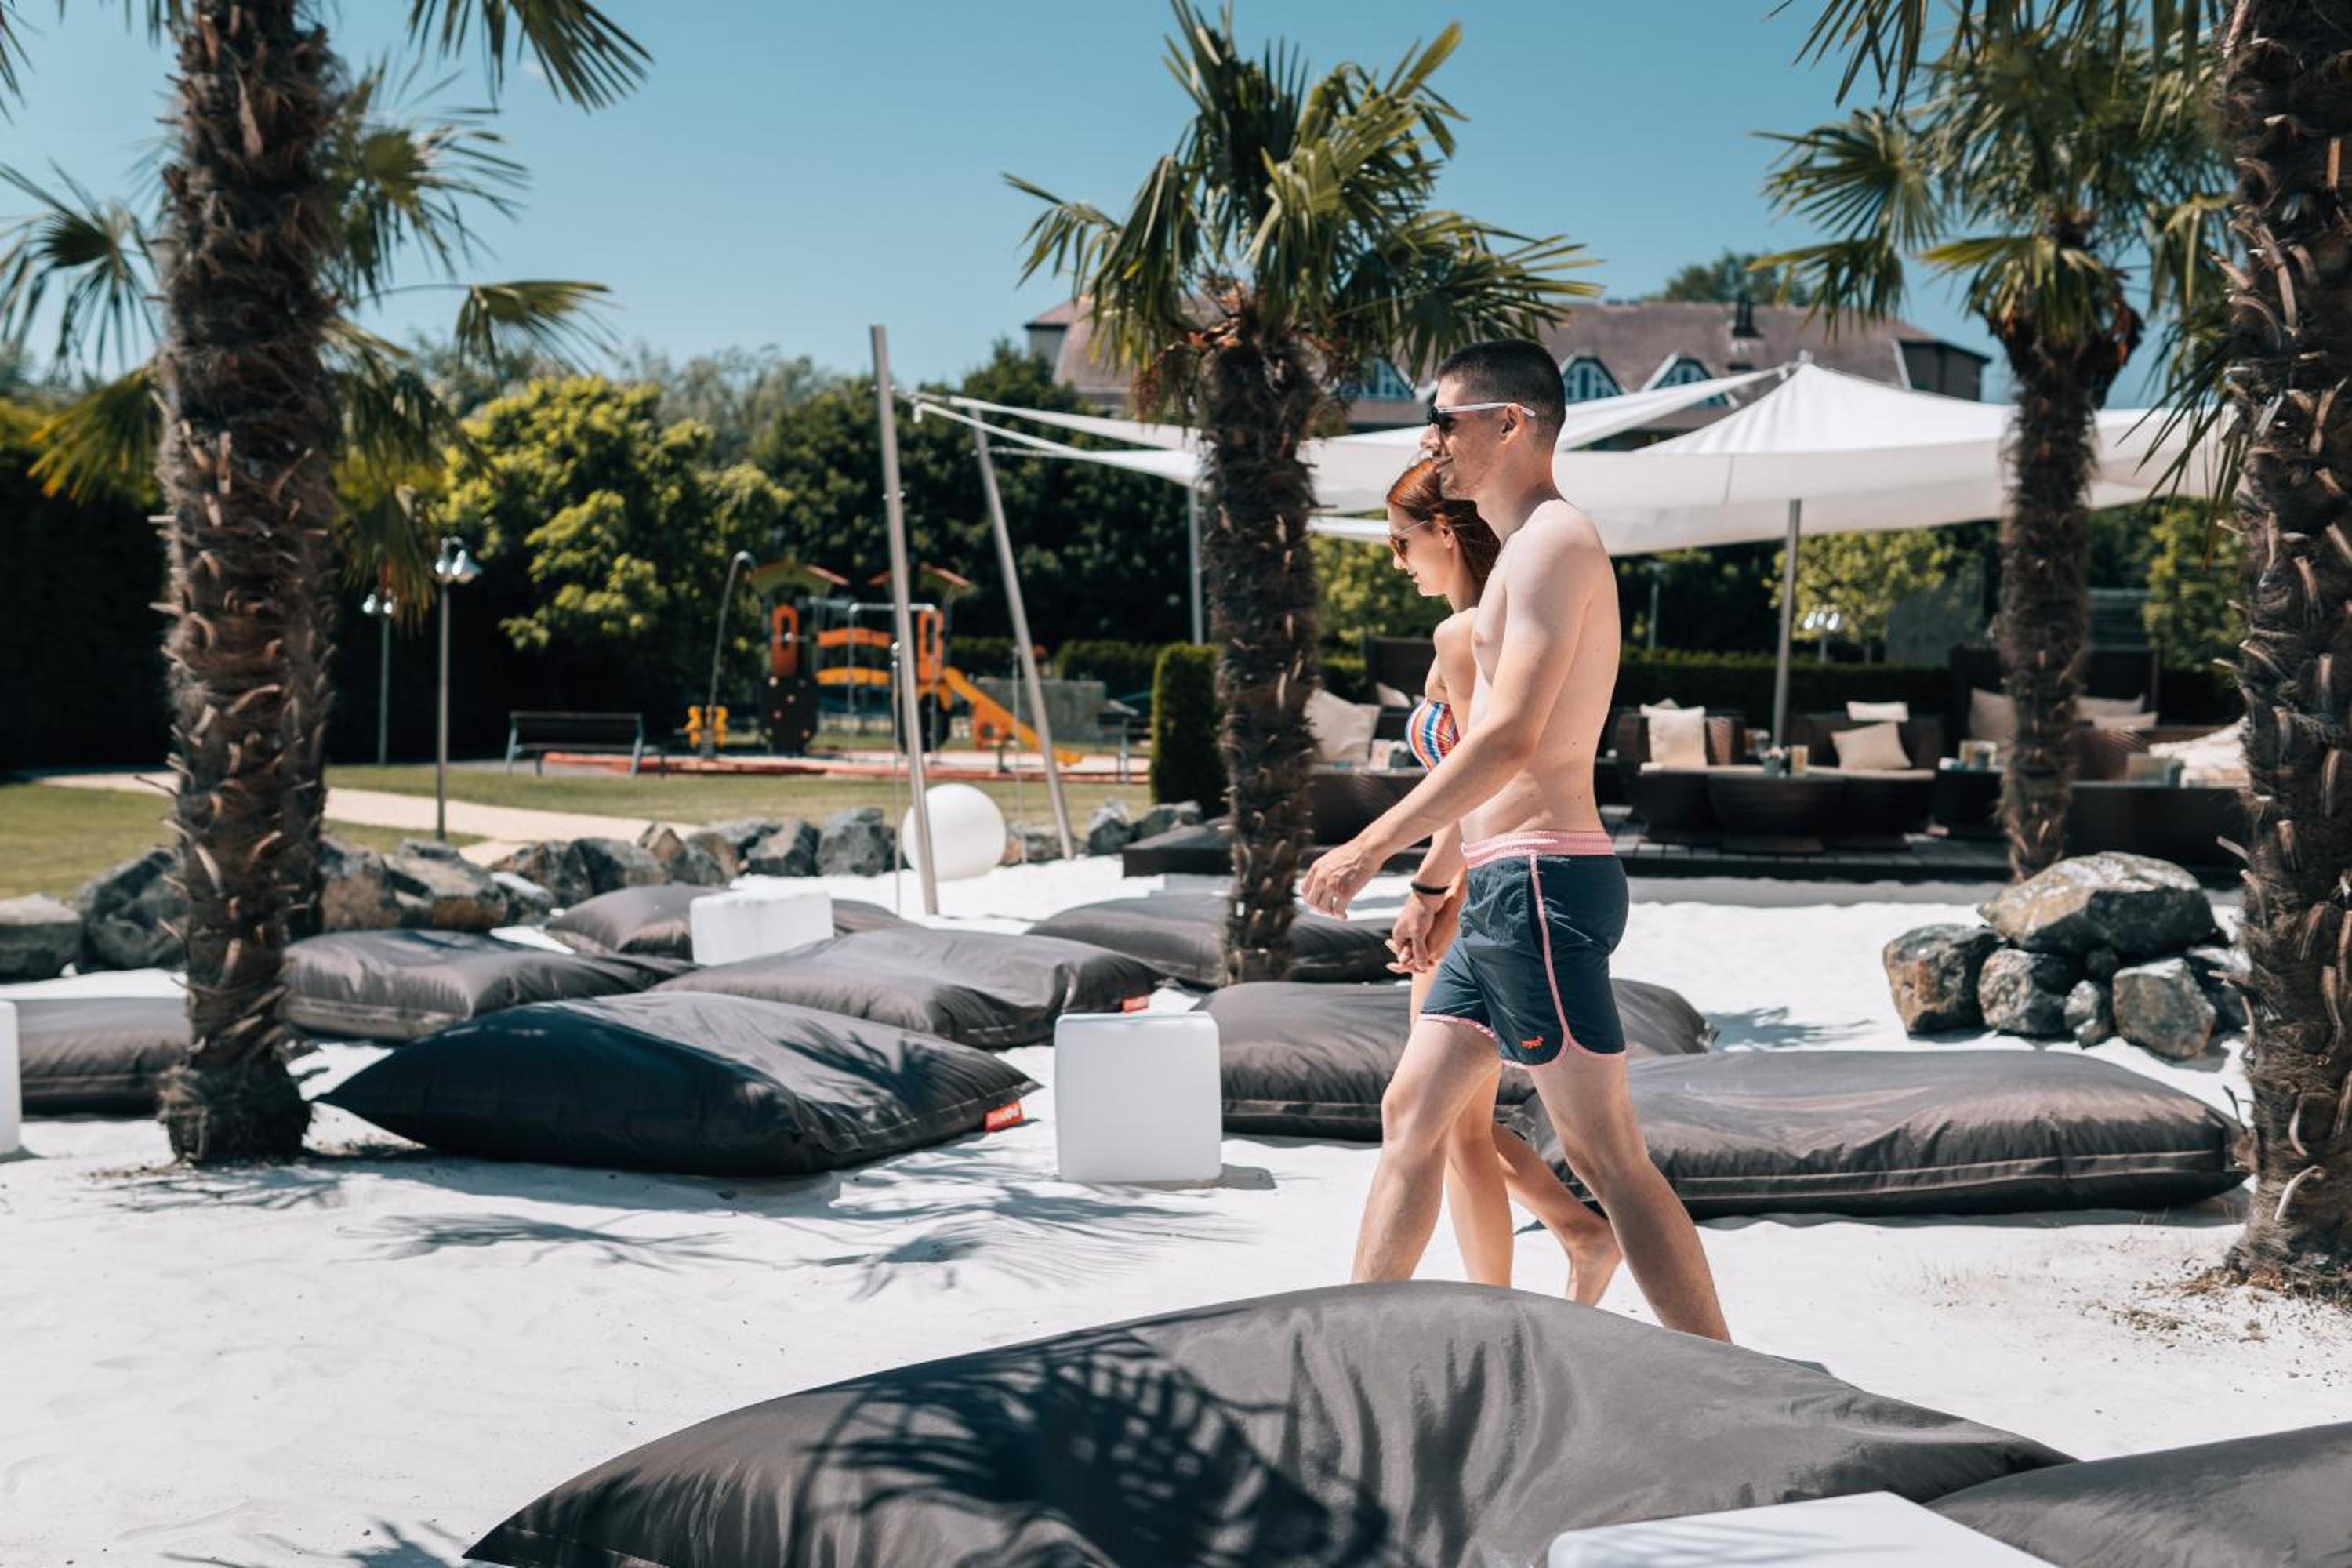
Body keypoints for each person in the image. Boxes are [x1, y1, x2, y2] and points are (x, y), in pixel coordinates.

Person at [1305, 339, 1730, 1343]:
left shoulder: (1553, 542)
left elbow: (1508, 742)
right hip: (1502, 885)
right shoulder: (1519, 557)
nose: (1430, 439)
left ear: (1510, 423)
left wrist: (1372, 844)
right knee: (1412, 1113)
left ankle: (1725, 1373)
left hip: (1544, 883)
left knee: (1608, 1154)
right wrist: (1440, 883)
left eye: (1444, 420)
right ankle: (1353, 1341)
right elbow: (1489, 767)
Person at [1381, 458, 1621, 1305]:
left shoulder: (1466, 636)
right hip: (1478, 882)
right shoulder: (1487, 625)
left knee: (1451, 1127)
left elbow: (1480, 782)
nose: (1397, 562)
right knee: (1447, 1121)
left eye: (1400, 542)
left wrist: (1426, 889)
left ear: (1445, 532)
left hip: (1475, 887)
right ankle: (1577, 1237)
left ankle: (1523, 1279)